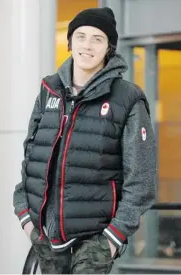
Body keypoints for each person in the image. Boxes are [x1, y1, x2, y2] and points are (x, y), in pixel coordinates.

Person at [13, 7, 157, 274]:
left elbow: (143, 180)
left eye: (97, 39)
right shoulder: (49, 89)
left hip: (94, 242)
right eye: (80, 36)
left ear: (109, 48)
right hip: (46, 239)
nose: (87, 45)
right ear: (70, 42)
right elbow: (31, 155)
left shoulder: (127, 99)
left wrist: (112, 240)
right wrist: (27, 219)